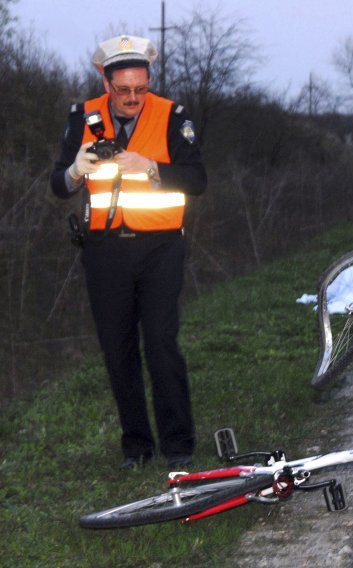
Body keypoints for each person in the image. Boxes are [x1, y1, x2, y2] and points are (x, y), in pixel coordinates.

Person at [50, 35, 207, 469]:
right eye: (123, 90)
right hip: (103, 252)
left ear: (149, 81)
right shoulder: (82, 116)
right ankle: (136, 448)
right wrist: (75, 172)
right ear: (107, 82)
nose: (133, 98)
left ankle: (179, 445)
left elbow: (196, 180)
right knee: (117, 350)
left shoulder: (172, 115)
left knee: (160, 341)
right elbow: (57, 185)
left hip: (160, 248)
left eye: (141, 88)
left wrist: (154, 168)